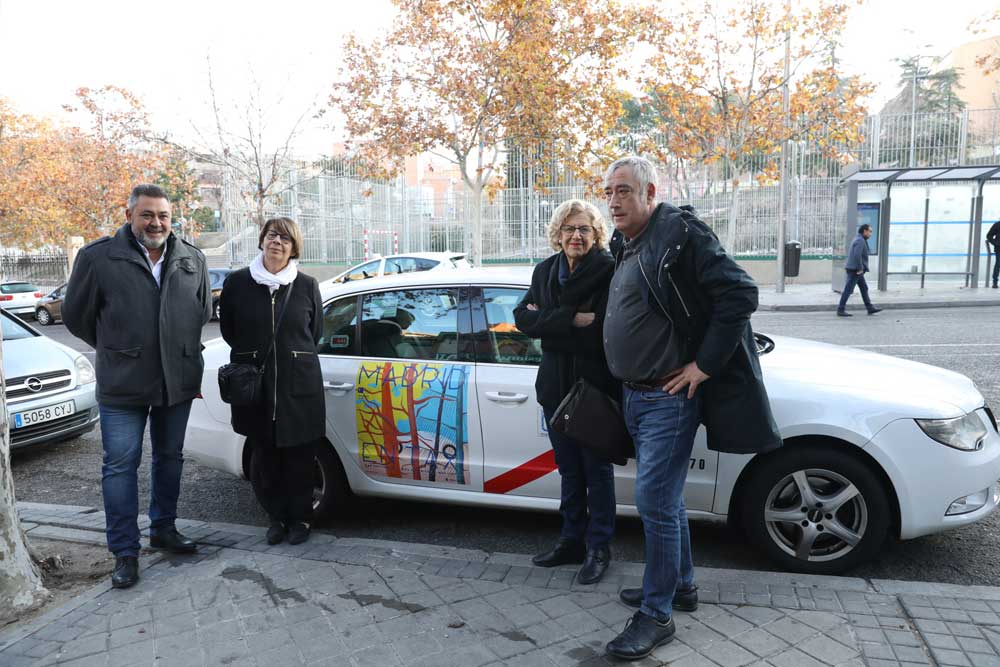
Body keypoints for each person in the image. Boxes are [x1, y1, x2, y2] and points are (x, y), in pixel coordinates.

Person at [601, 156, 782, 661]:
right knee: (666, 500)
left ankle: (657, 614)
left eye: (623, 191)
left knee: (654, 501)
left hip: (668, 396)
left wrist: (702, 365)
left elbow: (740, 292)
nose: (613, 201)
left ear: (650, 192)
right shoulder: (630, 242)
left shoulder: (680, 234)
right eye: (608, 192)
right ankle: (680, 585)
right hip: (635, 393)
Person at [62, 184, 212, 589]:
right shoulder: (98, 258)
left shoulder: (191, 259)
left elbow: (202, 311)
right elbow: (77, 317)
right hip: (123, 385)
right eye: (147, 214)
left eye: (163, 215)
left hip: (175, 381)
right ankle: (125, 552)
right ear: (129, 215)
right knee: (120, 467)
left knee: (170, 458)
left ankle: (163, 529)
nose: (156, 223)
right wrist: (117, 349)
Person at [513, 199, 618, 585]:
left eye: (584, 229)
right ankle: (571, 540)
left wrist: (550, 322)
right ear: (558, 234)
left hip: (594, 390)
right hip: (554, 389)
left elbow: (604, 328)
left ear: (596, 235)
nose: (576, 235)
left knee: (597, 472)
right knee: (570, 471)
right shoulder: (545, 270)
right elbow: (522, 318)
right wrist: (571, 319)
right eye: (569, 229)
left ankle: (599, 547)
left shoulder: (608, 270)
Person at [219, 217, 325, 546]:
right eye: (271, 235)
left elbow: (315, 333)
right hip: (254, 386)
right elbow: (229, 330)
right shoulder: (237, 283)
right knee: (264, 457)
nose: (276, 242)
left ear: (293, 248)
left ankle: (300, 519)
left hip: (299, 386)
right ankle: (275, 517)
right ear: (262, 240)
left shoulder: (307, 285)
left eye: (285, 238)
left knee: (300, 458)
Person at [837, 224, 882, 317]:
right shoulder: (860, 240)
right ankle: (840, 310)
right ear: (864, 231)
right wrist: (860, 268)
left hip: (855, 269)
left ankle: (870, 308)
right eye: (870, 231)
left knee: (864, 288)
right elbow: (857, 255)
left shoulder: (859, 239)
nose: (871, 233)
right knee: (848, 290)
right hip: (855, 270)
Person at [986, 219, 1000, 288]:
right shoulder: (997, 224)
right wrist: (996, 243)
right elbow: (989, 235)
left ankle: (995, 282)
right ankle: (995, 282)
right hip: (999, 249)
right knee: (998, 265)